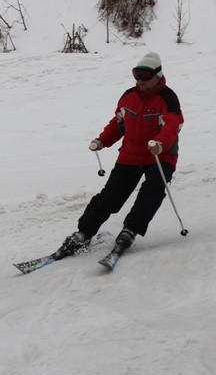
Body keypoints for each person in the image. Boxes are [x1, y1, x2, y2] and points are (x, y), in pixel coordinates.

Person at [53, 51, 184, 259]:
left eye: (145, 76)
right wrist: (102, 140)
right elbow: (118, 124)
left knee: (152, 192)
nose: (139, 80)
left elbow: (172, 125)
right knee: (110, 196)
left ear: (157, 76)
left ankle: (130, 230)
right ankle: (83, 233)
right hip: (131, 154)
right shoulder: (128, 97)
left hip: (160, 156)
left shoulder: (168, 98)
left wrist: (160, 144)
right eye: (136, 75)